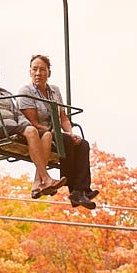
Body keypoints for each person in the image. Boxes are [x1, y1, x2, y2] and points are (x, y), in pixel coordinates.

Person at [17, 51, 96, 208]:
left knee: (82, 144)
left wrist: (71, 133)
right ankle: (75, 190)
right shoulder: (25, 92)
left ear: (49, 72)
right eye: (34, 69)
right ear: (30, 72)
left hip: (56, 131)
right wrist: (60, 133)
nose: (38, 73)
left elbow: (63, 118)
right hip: (40, 131)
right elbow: (33, 122)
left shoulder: (54, 91)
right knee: (64, 141)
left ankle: (80, 191)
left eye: (42, 69)